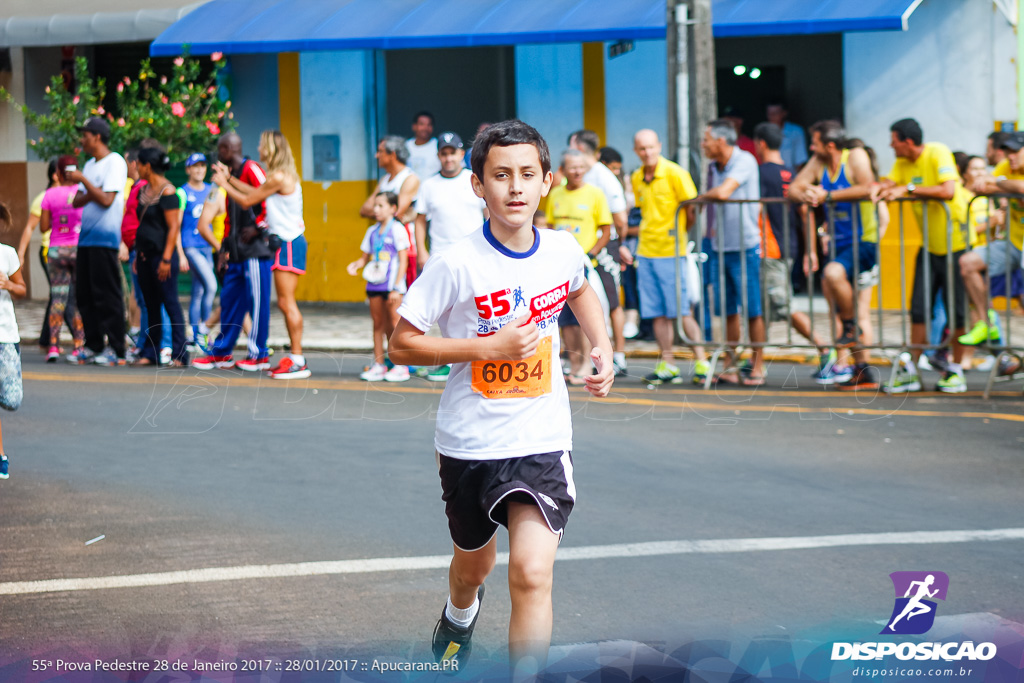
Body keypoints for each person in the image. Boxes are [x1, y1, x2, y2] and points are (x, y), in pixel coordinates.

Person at [388, 119, 613, 675]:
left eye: (526, 175)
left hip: (540, 438)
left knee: (532, 573)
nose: (515, 187)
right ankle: (459, 616)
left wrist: (602, 346)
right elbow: (401, 343)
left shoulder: (561, 249)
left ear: (547, 183)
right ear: (477, 185)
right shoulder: (456, 263)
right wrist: (485, 348)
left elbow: (582, 290)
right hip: (470, 441)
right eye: (501, 175)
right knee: (474, 566)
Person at [877, 118, 967, 393]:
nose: (891, 146)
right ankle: (912, 372)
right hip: (929, 246)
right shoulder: (903, 163)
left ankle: (956, 371)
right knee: (919, 309)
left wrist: (909, 189)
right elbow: (887, 183)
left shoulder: (937, 151)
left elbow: (948, 191)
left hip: (958, 244)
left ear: (907, 141)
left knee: (957, 313)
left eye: (894, 141)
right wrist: (876, 187)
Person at [789, 120, 881, 390]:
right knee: (837, 307)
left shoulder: (855, 157)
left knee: (842, 290)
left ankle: (852, 329)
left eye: (814, 142)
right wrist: (809, 193)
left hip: (863, 239)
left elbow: (867, 187)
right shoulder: (818, 162)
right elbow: (794, 188)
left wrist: (826, 194)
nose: (810, 147)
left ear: (830, 145)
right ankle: (861, 370)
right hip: (838, 243)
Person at [216, 130, 309, 380]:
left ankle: (298, 359)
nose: (258, 149)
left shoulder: (279, 176)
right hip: (285, 243)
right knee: (284, 302)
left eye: (261, 145)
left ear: (271, 148)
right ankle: (296, 357)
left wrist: (225, 183)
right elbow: (252, 191)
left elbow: (248, 201)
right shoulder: (277, 176)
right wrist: (231, 180)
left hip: (289, 243)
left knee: (287, 302)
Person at [752, 123, 832, 379]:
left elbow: (756, 210)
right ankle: (756, 363)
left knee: (782, 305)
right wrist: (810, 250)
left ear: (760, 143)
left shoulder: (761, 174)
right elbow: (805, 213)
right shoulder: (792, 175)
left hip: (770, 247)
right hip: (789, 246)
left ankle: (824, 348)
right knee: (761, 310)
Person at [630, 129, 709, 385]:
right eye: (642, 149)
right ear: (636, 151)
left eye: (651, 147)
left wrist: (681, 235)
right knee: (656, 312)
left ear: (659, 145)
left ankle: (701, 361)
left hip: (671, 252)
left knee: (682, 309)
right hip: (646, 250)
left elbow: (692, 205)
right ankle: (668, 363)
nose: (647, 152)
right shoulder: (637, 177)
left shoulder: (675, 172)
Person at [192, 132, 274, 371]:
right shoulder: (231, 175)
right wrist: (224, 249)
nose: (218, 155)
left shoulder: (251, 168)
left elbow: (267, 199)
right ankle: (222, 352)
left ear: (228, 149)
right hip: (237, 252)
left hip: (255, 250)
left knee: (257, 304)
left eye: (220, 149)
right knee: (229, 301)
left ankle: (258, 354)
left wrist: (259, 229)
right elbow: (230, 218)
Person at [414, 131, 488, 382]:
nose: (448, 158)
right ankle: (449, 361)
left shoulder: (474, 180)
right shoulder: (429, 185)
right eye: (444, 153)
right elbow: (420, 220)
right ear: (438, 156)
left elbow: (488, 214)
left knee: (474, 307)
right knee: (441, 312)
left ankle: (474, 358)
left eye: (452, 153)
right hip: (441, 257)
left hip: (474, 255)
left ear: (460, 154)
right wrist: (422, 251)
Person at [701, 119, 766, 385]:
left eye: (706, 139)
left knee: (752, 308)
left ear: (721, 141)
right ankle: (730, 364)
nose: (703, 145)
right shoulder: (713, 167)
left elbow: (724, 192)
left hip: (745, 245)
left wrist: (699, 198)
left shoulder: (744, 160)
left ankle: (758, 365)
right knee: (728, 309)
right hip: (720, 246)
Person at [545, 148, 613, 384]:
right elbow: (551, 227)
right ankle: (573, 364)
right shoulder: (555, 195)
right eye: (572, 167)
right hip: (557, 264)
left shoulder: (595, 194)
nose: (577, 171)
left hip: (583, 262)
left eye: (581, 167)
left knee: (581, 316)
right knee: (563, 318)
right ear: (563, 170)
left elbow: (606, 230)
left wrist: (591, 255)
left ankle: (585, 363)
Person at [66, 117, 128, 366]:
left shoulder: (115, 162)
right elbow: (77, 201)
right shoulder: (90, 165)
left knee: (107, 294)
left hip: (106, 238)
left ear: (98, 136)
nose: (82, 140)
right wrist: (88, 185)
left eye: (86, 135)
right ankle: (93, 345)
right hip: (87, 238)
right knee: (85, 294)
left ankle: (116, 348)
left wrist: (84, 182)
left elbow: (106, 200)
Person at [569, 130, 630, 375]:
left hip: (606, 246)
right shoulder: (577, 176)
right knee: (587, 300)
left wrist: (620, 243)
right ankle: (589, 354)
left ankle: (619, 356)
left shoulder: (602, 176)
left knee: (612, 300)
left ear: (582, 150)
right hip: (584, 248)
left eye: (573, 148)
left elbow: (620, 217)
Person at [959, 133, 1024, 351]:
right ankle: (987, 324)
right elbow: (982, 187)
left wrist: (999, 183)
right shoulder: (1006, 167)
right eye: (1007, 151)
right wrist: (1005, 185)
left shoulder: (1003, 173)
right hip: (1014, 244)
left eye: (1015, 151)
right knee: (968, 263)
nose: (1010, 156)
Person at [131, 147, 188, 367]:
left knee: (171, 304)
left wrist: (165, 259)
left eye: (139, 163)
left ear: (147, 166)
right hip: (145, 257)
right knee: (151, 305)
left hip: (163, 258)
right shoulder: (142, 191)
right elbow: (143, 225)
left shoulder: (168, 192)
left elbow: (173, 228)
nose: (137, 167)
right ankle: (151, 352)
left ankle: (179, 354)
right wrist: (138, 254)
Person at [347, 191, 409, 382]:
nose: (376, 210)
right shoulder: (371, 232)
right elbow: (364, 257)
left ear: (393, 209)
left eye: (381, 206)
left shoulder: (398, 229)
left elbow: (403, 260)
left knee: (394, 324)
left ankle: (401, 365)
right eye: (375, 205)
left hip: (392, 287)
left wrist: (397, 287)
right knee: (378, 324)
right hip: (374, 285)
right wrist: (356, 265)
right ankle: (379, 364)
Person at [18, 159, 77, 349]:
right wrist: (20, 254)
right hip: (49, 251)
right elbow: (30, 228)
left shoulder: (73, 194)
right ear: (55, 175)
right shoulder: (45, 197)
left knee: (57, 295)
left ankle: (47, 341)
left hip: (60, 251)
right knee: (64, 297)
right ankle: (78, 341)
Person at [37, 155, 85, 361]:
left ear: (58, 172)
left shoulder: (49, 194)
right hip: (78, 249)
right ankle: (78, 346)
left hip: (56, 250)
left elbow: (43, 227)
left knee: (58, 299)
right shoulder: (82, 193)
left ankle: (54, 347)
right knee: (77, 301)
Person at [361, 135, 420, 290]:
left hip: (403, 243)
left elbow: (397, 211)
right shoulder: (385, 179)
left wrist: (379, 208)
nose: (376, 155)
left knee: (400, 293)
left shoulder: (410, 178)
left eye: (380, 151)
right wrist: (385, 211)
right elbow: (364, 209)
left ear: (392, 154)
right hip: (383, 245)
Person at [179, 153, 218, 349]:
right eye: (195, 166)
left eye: (202, 166)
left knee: (198, 291)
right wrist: (179, 254)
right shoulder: (182, 192)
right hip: (190, 246)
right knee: (211, 286)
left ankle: (196, 336)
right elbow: (176, 226)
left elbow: (220, 211)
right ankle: (202, 330)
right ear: (188, 170)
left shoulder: (211, 190)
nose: (199, 170)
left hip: (206, 246)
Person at [0, 204, 26, 480]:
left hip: (6, 337)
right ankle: (1, 455)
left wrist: (9, 285)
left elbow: (22, 290)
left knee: (11, 400)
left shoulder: (7, 254)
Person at [766, 100, 808, 170]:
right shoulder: (764, 132)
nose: (772, 117)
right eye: (769, 114)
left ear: (784, 113)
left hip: (791, 177)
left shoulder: (795, 132)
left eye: (775, 114)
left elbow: (800, 161)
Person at [405, 111, 441, 179]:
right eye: (422, 124)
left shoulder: (438, 145)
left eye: (429, 125)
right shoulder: (406, 146)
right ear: (414, 126)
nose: (425, 128)